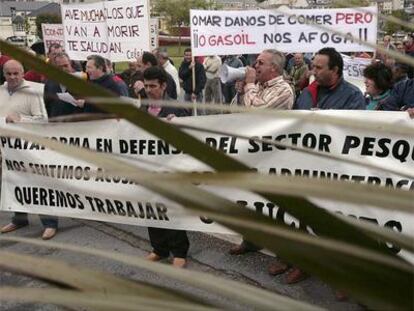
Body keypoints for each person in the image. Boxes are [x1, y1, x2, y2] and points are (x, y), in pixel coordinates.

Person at [0, 60, 58, 240]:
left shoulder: (32, 93)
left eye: (16, 73)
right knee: (13, 183)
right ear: (4, 74)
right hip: (7, 149)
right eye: (9, 73)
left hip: (29, 148)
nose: (12, 77)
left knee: (38, 185)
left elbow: (42, 121)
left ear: (23, 73)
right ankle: (19, 218)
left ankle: (50, 223)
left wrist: (21, 121)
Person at [142, 66, 189, 268]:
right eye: (146, 86)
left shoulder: (177, 108)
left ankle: (179, 251)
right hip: (148, 167)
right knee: (151, 208)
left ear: (163, 86)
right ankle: (159, 248)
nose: (148, 90)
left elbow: (191, 139)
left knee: (172, 209)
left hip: (171, 168)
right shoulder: (142, 108)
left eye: (153, 86)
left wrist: (178, 126)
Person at [295, 47, 366, 110]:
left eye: (319, 68)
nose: (314, 72)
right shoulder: (306, 92)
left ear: (334, 70)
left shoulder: (353, 96)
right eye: (313, 67)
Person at [44, 52, 85, 117]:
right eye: (60, 67)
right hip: (57, 123)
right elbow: (47, 105)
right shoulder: (50, 83)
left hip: (76, 123)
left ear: (70, 64)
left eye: (66, 66)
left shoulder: (81, 80)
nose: (63, 69)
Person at [179, 48, 206, 112]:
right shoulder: (183, 64)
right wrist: (189, 68)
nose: (188, 57)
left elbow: (202, 81)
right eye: (186, 55)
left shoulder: (199, 66)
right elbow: (181, 75)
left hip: (197, 94)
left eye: (190, 55)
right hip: (187, 93)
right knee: (187, 112)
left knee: (198, 112)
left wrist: (195, 92)